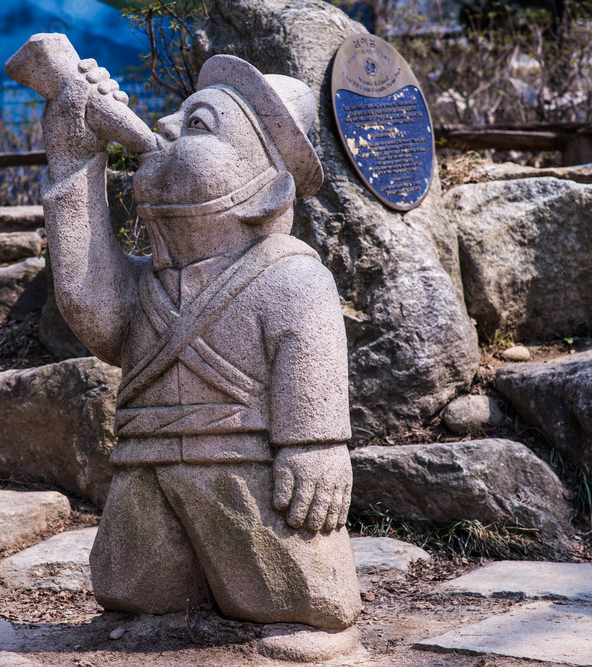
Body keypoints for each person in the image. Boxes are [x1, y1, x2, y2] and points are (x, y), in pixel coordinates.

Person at [38, 52, 361, 634]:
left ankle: (303, 628)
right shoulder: (145, 285)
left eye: (198, 124)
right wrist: (73, 158)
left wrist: (316, 445)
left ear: (267, 192)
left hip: (249, 473)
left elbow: (310, 360)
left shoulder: (290, 276)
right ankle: (155, 617)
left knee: (291, 583)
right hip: (146, 466)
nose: (162, 126)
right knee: (131, 581)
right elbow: (90, 304)